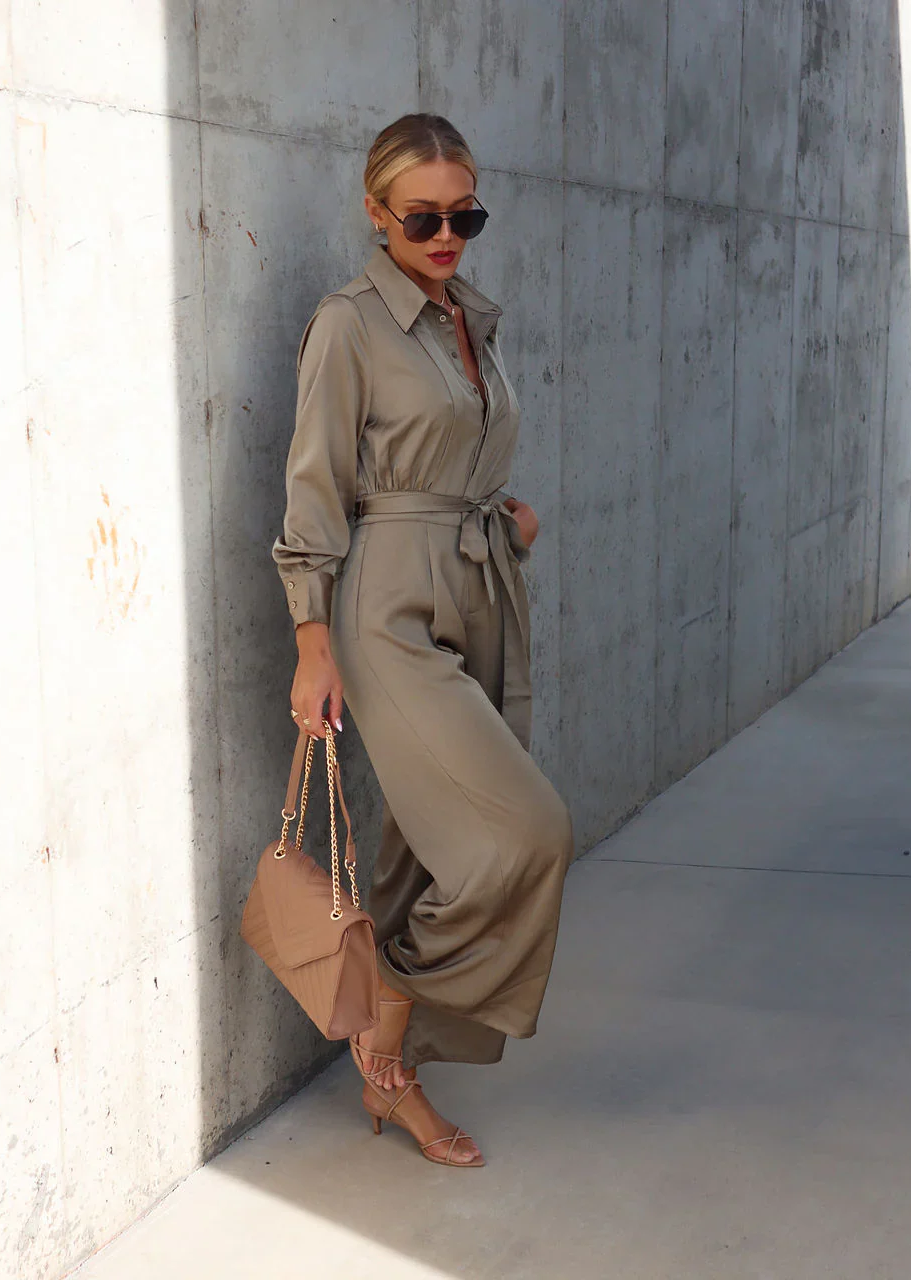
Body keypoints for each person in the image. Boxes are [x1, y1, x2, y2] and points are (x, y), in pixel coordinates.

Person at [273, 113, 573, 1168]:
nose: (447, 236)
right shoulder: (348, 324)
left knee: (422, 848)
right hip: (388, 609)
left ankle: (388, 1082)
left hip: (481, 585)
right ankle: (390, 1021)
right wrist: (312, 640)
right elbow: (315, 484)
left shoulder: (466, 318)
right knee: (526, 835)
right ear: (375, 212)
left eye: (465, 216)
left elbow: (458, 450)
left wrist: (503, 521)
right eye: (423, 218)